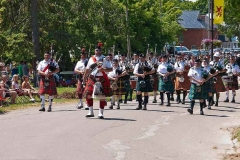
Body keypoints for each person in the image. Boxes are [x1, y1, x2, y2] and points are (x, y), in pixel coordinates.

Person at [82, 44, 113, 119]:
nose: (97, 51)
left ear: (101, 51)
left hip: (102, 77)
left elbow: (111, 69)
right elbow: (87, 70)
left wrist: (103, 70)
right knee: (88, 94)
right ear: (94, 51)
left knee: (101, 96)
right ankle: (90, 111)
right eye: (96, 50)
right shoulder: (91, 59)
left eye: (98, 50)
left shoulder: (105, 59)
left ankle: (100, 113)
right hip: (92, 78)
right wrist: (84, 79)